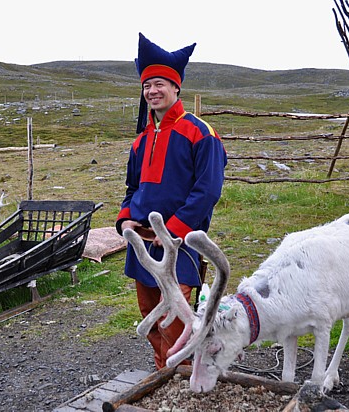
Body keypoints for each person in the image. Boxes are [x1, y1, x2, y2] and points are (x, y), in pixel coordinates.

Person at [116, 33, 227, 370]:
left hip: (178, 245)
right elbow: (132, 187)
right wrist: (125, 220)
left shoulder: (200, 133)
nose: (152, 91)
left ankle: (182, 384)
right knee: (152, 320)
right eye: (147, 84)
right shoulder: (141, 140)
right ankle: (161, 379)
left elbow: (206, 192)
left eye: (160, 83)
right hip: (143, 248)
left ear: (176, 87)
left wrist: (172, 233)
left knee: (176, 324)